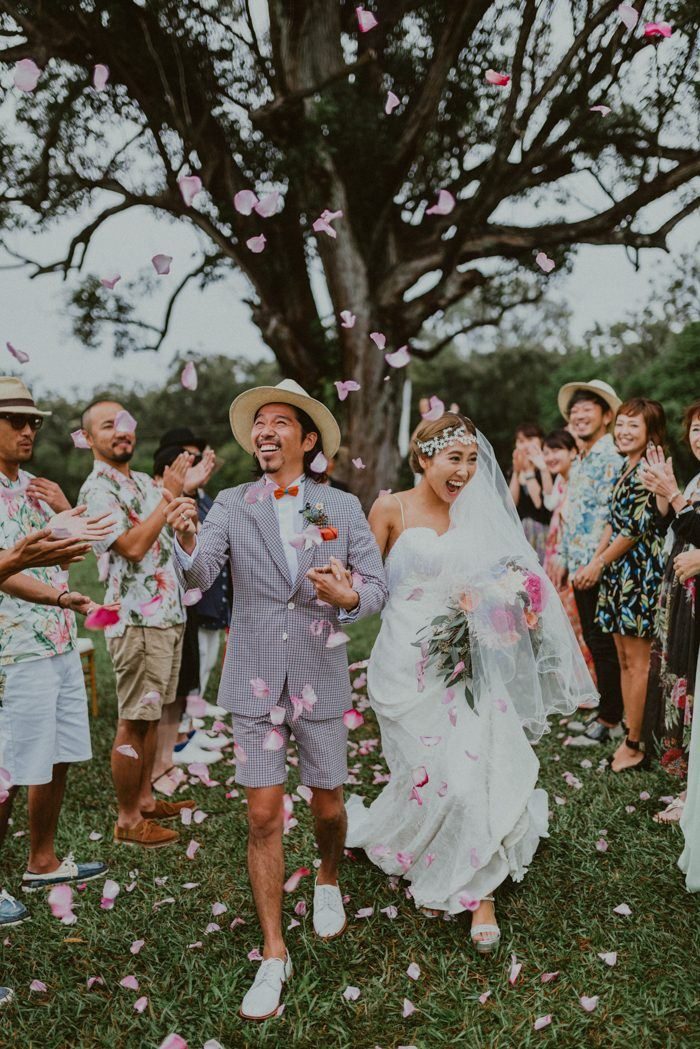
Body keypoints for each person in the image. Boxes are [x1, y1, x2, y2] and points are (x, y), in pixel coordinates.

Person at [164, 378, 388, 1021]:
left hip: (320, 673)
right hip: (254, 677)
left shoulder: (340, 508)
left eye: (278, 422)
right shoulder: (231, 504)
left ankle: (327, 876)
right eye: (257, 422)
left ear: (307, 438)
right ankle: (272, 953)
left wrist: (348, 600)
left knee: (328, 807)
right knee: (262, 816)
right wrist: (183, 538)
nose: (263, 431)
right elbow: (200, 572)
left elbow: (374, 585)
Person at [346, 413, 597, 953]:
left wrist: (511, 603)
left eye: (470, 460)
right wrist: (342, 596)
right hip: (402, 660)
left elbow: (509, 582)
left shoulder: (479, 515)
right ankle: (425, 834)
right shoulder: (391, 508)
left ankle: (479, 890)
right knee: (426, 773)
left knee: (468, 777)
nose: (462, 471)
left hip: (464, 664)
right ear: (424, 459)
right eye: (451, 459)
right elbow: (367, 586)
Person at [0, 376, 109, 930]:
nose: (28, 430)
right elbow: (4, 572)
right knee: (7, 771)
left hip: (59, 639)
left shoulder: (35, 487)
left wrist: (67, 508)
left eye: (34, 422)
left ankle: (41, 860)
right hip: (14, 649)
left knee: (57, 754)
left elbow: (76, 549)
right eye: (15, 421)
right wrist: (61, 594)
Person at [77, 400, 195, 849]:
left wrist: (176, 499)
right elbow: (129, 546)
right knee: (132, 721)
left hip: (166, 614)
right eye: (108, 426)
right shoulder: (99, 489)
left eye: (125, 425)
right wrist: (166, 503)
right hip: (135, 619)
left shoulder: (139, 481)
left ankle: (145, 800)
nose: (121, 432)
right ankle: (128, 819)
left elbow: (167, 531)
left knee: (149, 720)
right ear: (89, 438)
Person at [584, 399, 667, 772]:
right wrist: (596, 562)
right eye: (621, 424)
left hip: (638, 574)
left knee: (638, 663)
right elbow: (612, 523)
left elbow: (633, 530)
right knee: (622, 659)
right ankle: (630, 731)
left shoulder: (650, 468)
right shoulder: (624, 466)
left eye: (634, 425)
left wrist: (598, 563)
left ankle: (636, 745)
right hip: (618, 574)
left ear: (651, 432)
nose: (623, 431)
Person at [151, 435, 225, 775]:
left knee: (192, 678)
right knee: (174, 686)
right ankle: (177, 742)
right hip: (165, 607)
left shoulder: (204, 498)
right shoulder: (154, 497)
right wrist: (183, 491)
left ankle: (183, 738)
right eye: (188, 460)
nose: (196, 465)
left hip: (191, 603)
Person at [557, 379, 625, 748]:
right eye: (574, 412)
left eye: (587, 410)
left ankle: (611, 719)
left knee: (605, 646)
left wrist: (596, 562)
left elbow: (613, 518)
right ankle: (606, 713)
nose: (579, 416)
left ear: (607, 416)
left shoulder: (611, 457)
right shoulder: (581, 459)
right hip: (580, 565)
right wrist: (566, 560)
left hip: (602, 567)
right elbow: (574, 516)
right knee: (595, 644)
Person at [639, 399, 700, 783]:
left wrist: (674, 494)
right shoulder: (695, 480)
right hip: (681, 597)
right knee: (677, 675)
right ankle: (685, 779)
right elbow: (669, 526)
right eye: (696, 429)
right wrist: (664, 488)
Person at [537, 429, 596, 685]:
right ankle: (576, 682)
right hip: (557, 553)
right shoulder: (562, 480)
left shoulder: (580, 481)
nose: (550, 457)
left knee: (580, 626)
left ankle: (589, 684)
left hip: (574, 559)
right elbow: (550, 503)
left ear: (574, 452)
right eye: (547, 452)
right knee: (566, 621)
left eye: (557, 450)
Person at [509, 423, 551, 564]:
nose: (526, 445)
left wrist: (528, 471)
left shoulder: (548, 468)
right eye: (521, 441)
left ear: (541, 441)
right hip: (520, 534)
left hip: (542, 534)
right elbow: (510, 505)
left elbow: (540, 504)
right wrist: (516, 471)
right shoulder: (514, 469)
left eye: (531, 439)